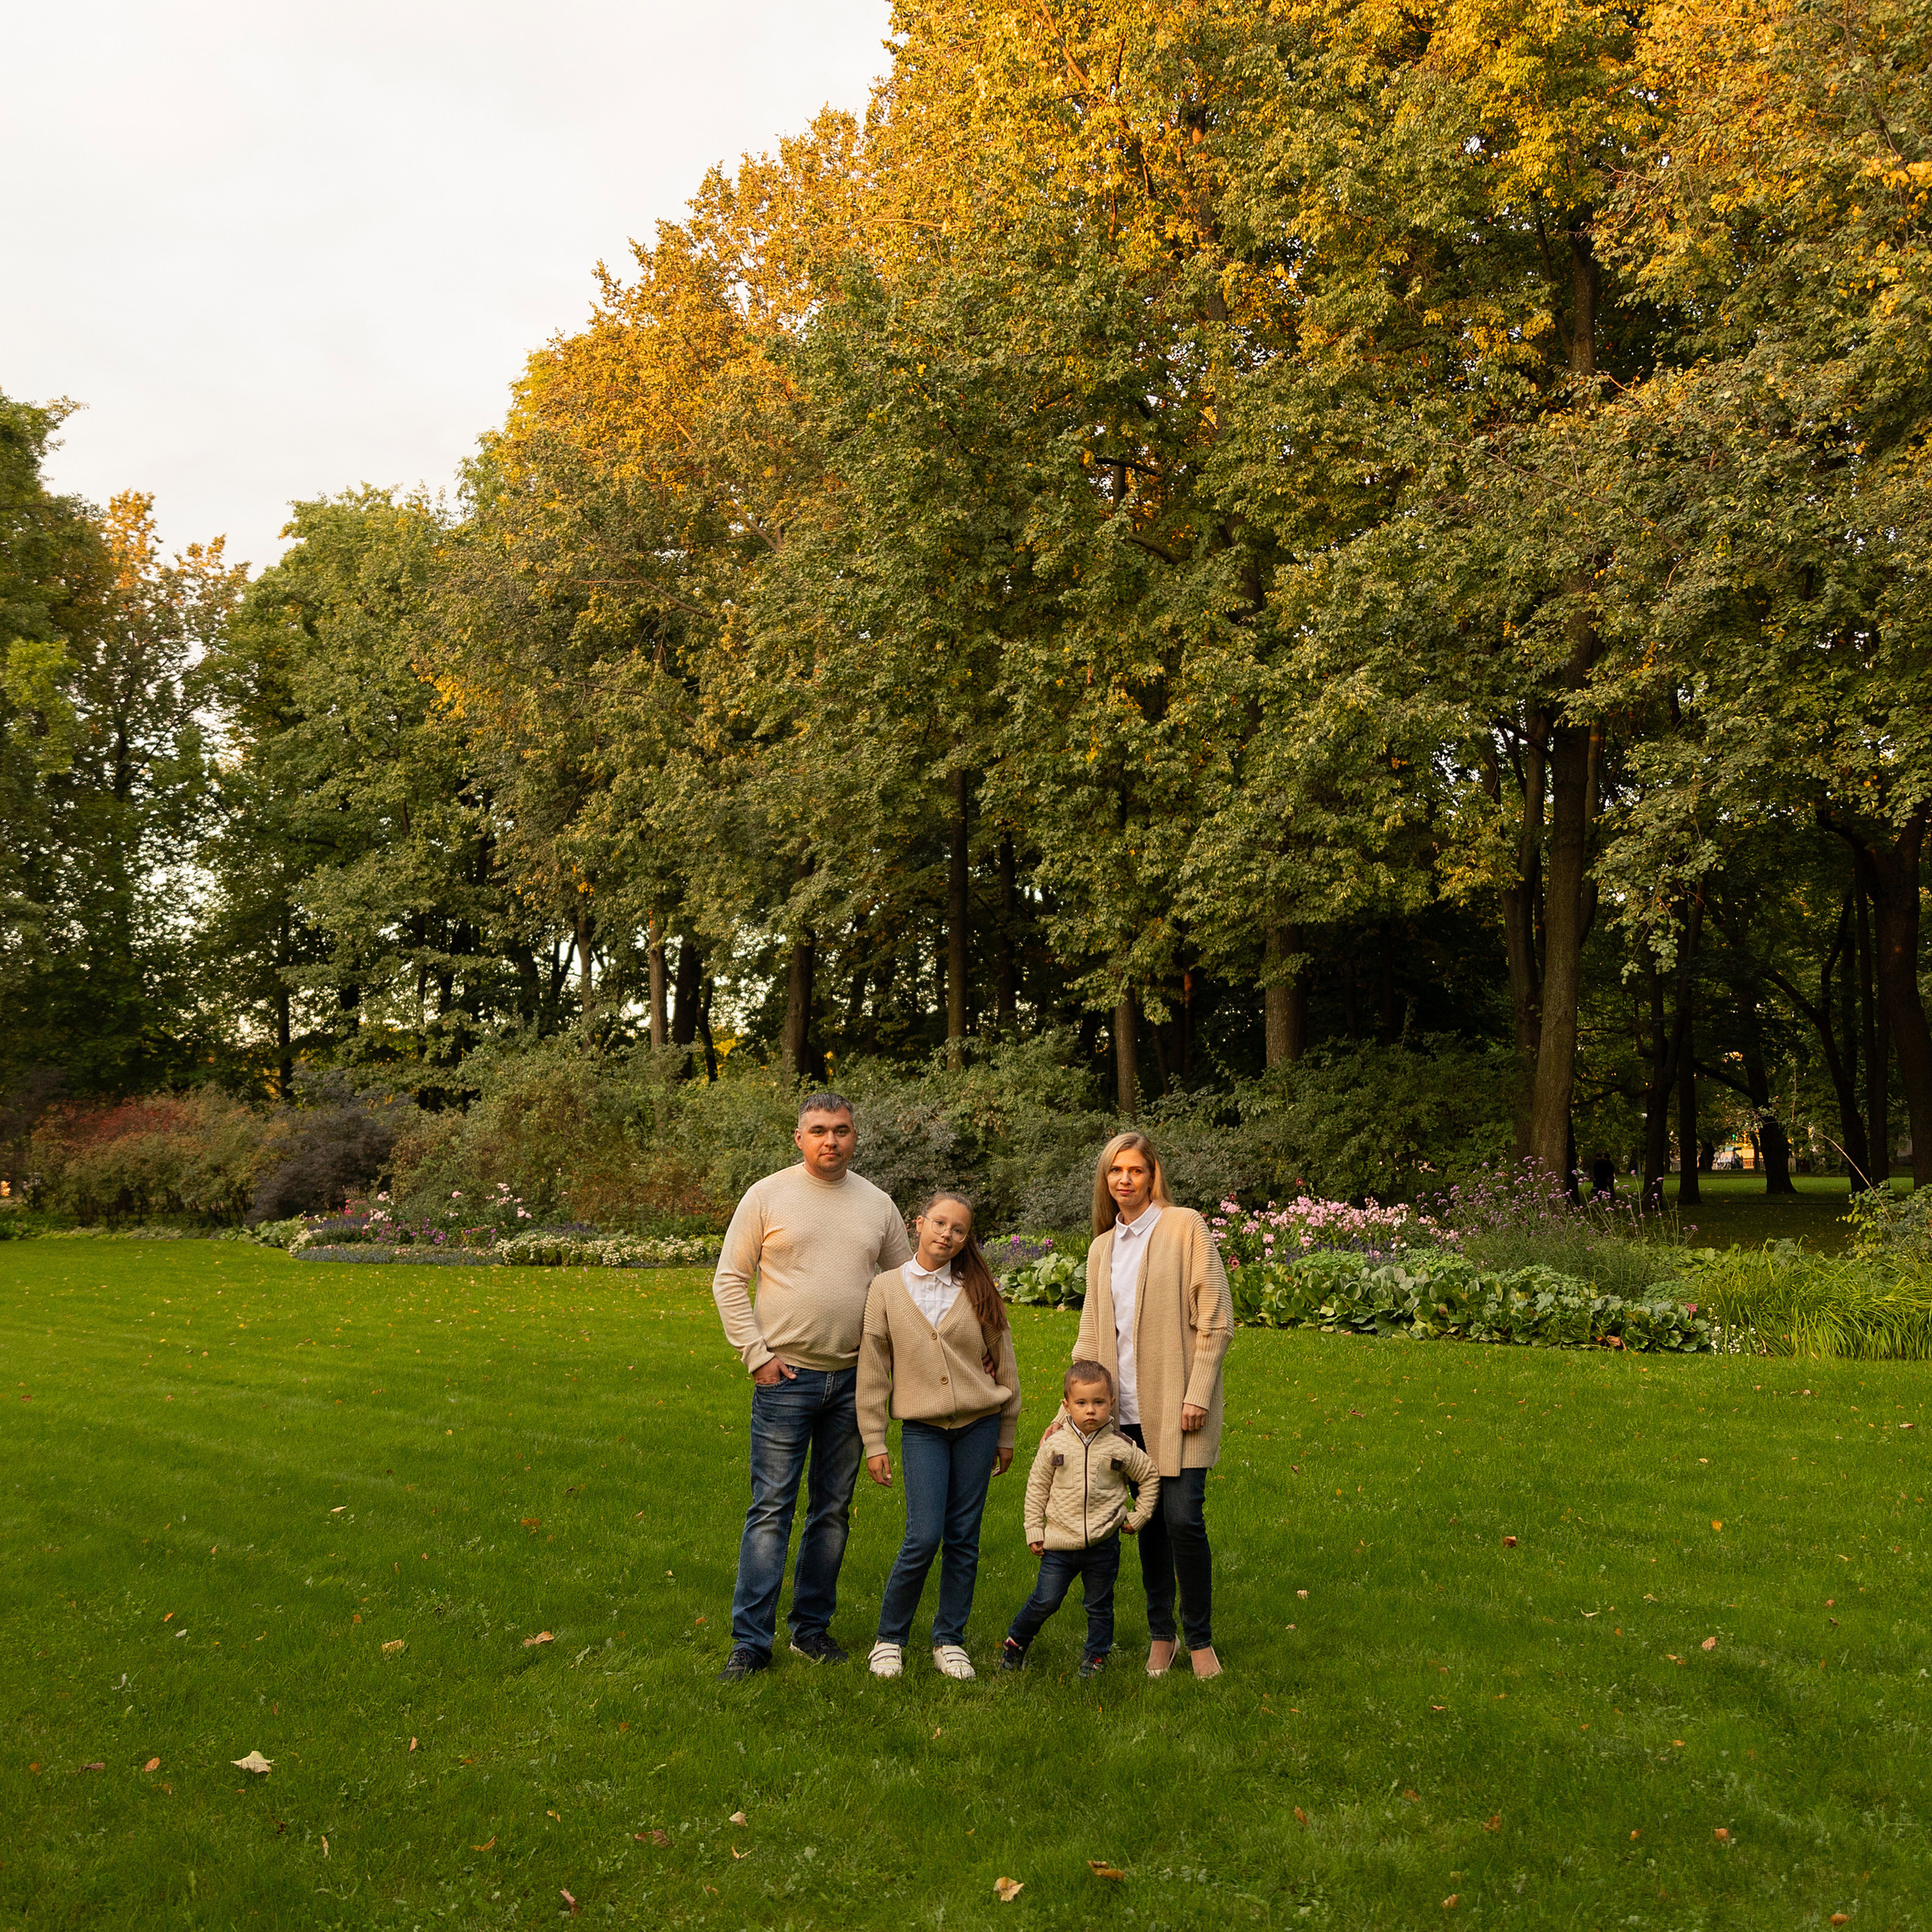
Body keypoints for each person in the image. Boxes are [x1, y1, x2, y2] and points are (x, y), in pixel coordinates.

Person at [710, 1091, 913, 1680]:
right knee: (771, 1508)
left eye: (842, 1130)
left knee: (832, 1510)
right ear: (798, 1138)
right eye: (819, 1130)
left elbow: (904, 1287)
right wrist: (757, 1356)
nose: (832, 1140)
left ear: (856, 1136)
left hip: (854, 1382)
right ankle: (751, 1642)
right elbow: (729, 1280)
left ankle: (811, 1631)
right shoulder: (768, 1195)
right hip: (785, 1379)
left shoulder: (877, 1204)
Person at [1072, 1129, 1232, 1678]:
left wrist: (1197, 1392)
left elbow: (1215, 1319)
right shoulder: (1102, 1248)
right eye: (1115, 1171)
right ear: (1106, 1180)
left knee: (1184, 1520)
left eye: (1135, 1169)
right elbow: (1090, 1337)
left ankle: (1201, 1638)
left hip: (1180, 1407)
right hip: (1124, 1416)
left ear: (1152, 1174)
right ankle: (1161, 1634)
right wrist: (1068, 1412)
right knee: (1150, 1524)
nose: (1124, 1179)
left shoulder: (1185, 1227)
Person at [857, 1189, 1021, 1681]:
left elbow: (1005, 1364)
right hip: (924, 1431)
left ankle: (949, 1640)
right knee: (923, 1536)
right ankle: (889, 1638)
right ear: (919, 1223)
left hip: (978, 1426)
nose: (946, 1235)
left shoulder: (977, 1289)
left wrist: (1007, 1429)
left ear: (966, 1238)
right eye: (939, 1224)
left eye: (959, 1230)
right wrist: (874, 1440)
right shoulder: (886, 1288)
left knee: (964, 1539)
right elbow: (872, 1370)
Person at [1000, 1361, 1158, 1678]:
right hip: (1059, 1544)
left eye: (1099, 1402)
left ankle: (1095, 1657)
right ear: (1066, 1406)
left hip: (1103, 1545)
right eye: (1081, 1403)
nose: (1090, 1411)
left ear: (1112, 1403)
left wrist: (1139, 1516)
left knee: (1099, 1605)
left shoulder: (1122, 1447)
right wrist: (1034, 1528)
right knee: (1045, 1600)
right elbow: (1036, 1488)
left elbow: (1150, 1476)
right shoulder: (1054, 1445)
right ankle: (1016, 1642)